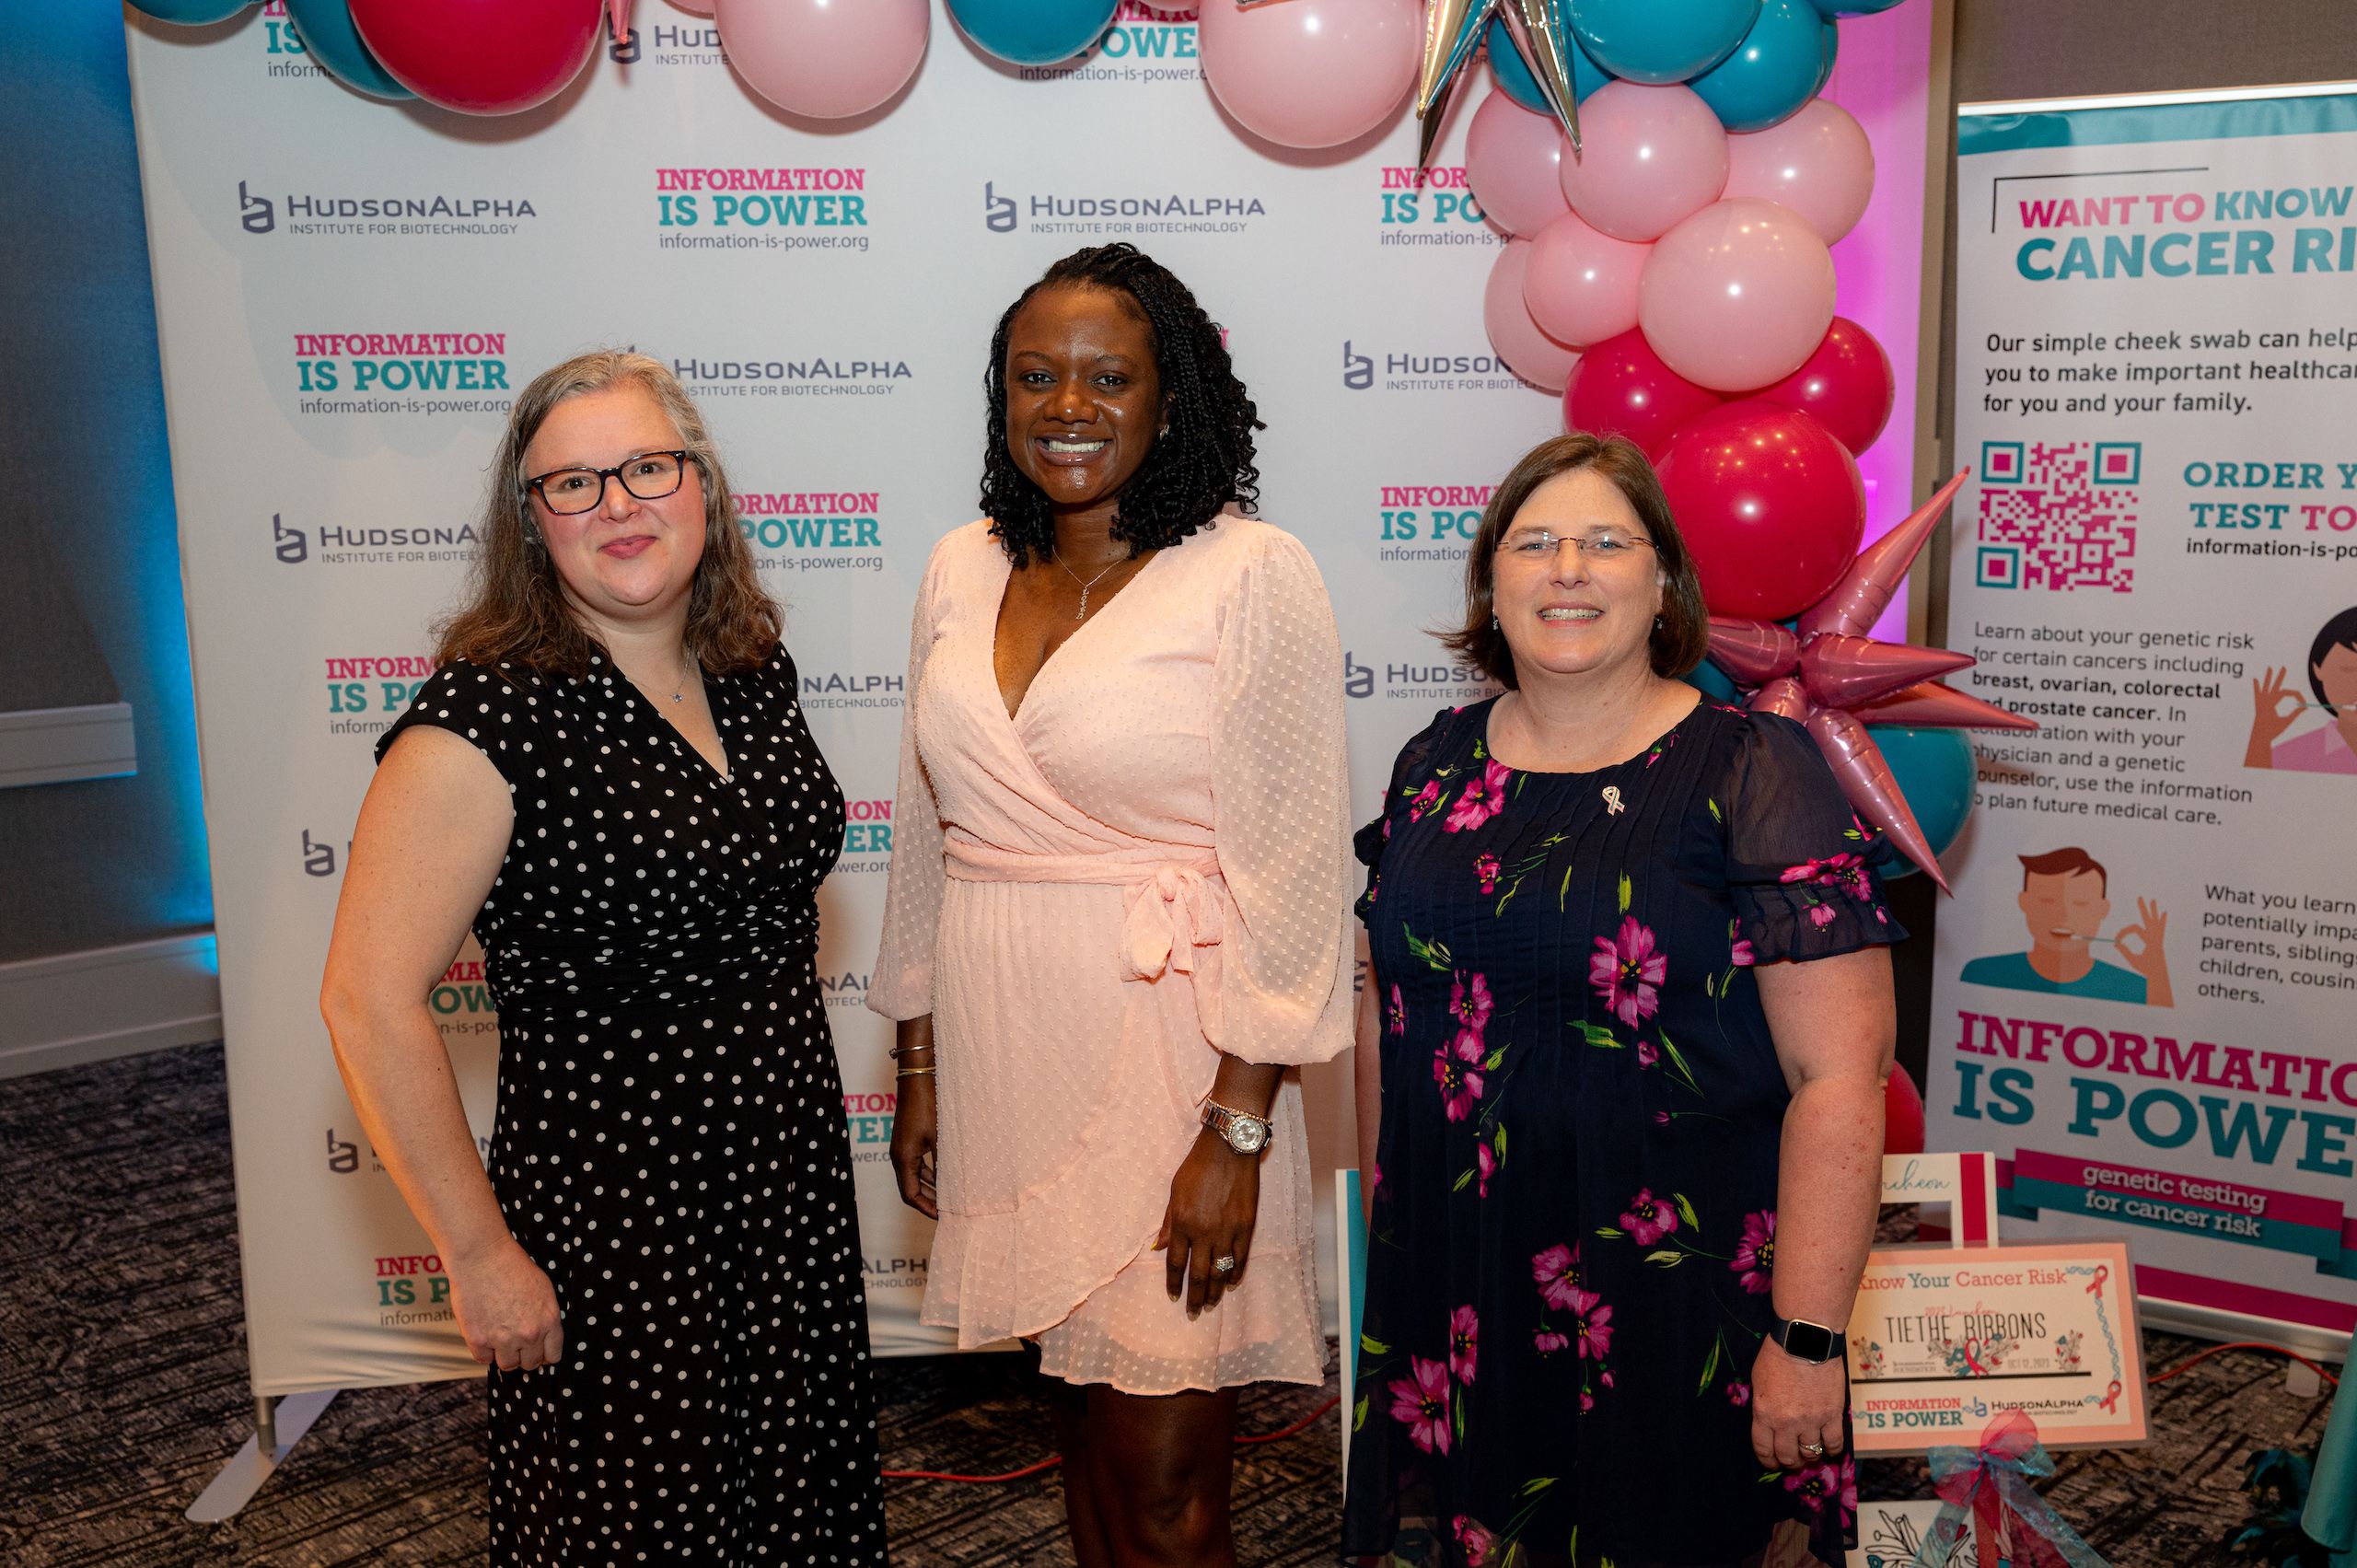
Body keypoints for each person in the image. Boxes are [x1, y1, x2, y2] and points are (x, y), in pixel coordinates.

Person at [319, 351, 886, 1563]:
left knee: (793, 1507)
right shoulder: (485, 716)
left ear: (702, 484)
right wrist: (479, 1255)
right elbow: (366, 1000)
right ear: (531, 524)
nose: (619, 504)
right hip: (613, 1225)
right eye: (571, 484)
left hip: (783, 1193)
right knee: (644, 1525)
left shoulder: (748, 670)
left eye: (646, 467)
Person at [871, 244, 1354, 1566]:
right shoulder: (957, 566)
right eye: (1036, 376)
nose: (1067, 406)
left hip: (1176, 1058)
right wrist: (918, 1060)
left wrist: (1237, 1126)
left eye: (1107, 376)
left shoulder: (1251, 571)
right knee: (1080, 1414)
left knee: (1162, 1461)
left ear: (1169, 396)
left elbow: (1297, 874)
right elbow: (926, 826)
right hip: (1003, 1041)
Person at [1341, 434, 1901, 1568]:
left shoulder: (1754, 769)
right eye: (1534, 543)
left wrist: (1806, 1335)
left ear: (1663, 587)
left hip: (1677, 1299)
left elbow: (1837, 1075)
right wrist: (1392, 1253)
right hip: (1465, 1292)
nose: (1568, 569)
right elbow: (1385, 1016)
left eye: (1607, 542)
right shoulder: (1428, 766)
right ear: (1491, 586)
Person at [1957, 846, 2172, 1005]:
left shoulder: (2136, 990)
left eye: (2081, 903)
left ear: (2103, 909)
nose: (2063, 915)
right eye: (2047, 900)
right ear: (2024, 901)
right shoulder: (1982, 974)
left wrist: (2158, 974)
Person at [2246, 607, 2357, 774]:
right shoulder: (2290, 755)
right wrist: (2260, 739)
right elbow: (2254, 785)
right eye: (2348, 669)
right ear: (2318, 669)